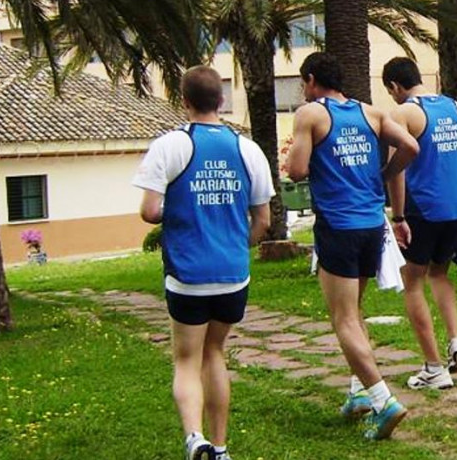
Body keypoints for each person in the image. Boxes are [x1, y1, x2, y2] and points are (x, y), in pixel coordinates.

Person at [132, 65, 275, 460]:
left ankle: (195, 438)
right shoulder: (248, 149)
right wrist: (236, 243)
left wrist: (181, 209)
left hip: (187, 274)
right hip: (232, 274)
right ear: (222, 100)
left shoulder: (169, 145)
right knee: (215, 352)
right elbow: (263, 219)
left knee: (186, 358)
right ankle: (222, 446)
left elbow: (149, 211)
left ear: (184, 101)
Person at [287, 52, 419, 440]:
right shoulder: (372, 114)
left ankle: (383, 400)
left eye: (303, 83)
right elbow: (410, 146)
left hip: (338, 226)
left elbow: (296, 171)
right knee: (356, 311)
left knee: (343, 318)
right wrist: (384, 174)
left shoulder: (310, 114)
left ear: (311, 80)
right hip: (370, 225)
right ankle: (357, 392)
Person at [381, 57, 457, 390]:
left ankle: (434, 368)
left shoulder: (403, 113)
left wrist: (398, 216)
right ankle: (456, 340)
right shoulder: (456, 109)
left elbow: (396, 171)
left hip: (423, 211)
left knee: (412, 279)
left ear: (394, 87)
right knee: (439, 273)